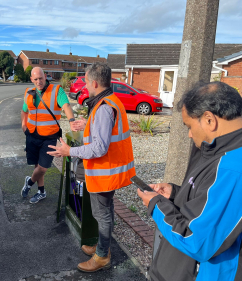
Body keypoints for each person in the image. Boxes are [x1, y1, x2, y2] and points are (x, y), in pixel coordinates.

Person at [138, 82, 242, 281]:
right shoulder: (218, 148)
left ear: (209, 120)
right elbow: (210, 199)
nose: (189, 134)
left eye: (189, 126)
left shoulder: (233, 168)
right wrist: (176, 192)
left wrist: (156, 205)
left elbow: (198, 242)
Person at [48, 62, 136, 272]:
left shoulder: (104, 107)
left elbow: (99, 148)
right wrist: (86, 124)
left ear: (95, 82)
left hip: (104, 171)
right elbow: (103, 133)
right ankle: (102, 247)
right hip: (108, 170)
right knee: (105, 212)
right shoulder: (109, 101)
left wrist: (70, 152)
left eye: (86, 82)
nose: (85, 86)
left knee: (102, 214)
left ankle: (102, 256)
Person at [21, 67, 76, 204]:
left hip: (49, 137)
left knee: (43, 167)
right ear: (31, 80)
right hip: (32, 135)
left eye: (41, 78)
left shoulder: (57, 91)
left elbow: (66, 106)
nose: (39, 81)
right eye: (36, 79)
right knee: (37, 166)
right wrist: (23, 124)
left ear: (45, 76)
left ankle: (29, 182)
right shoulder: (28, 92)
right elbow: (24, 110)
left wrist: (72, 121)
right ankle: (41, 191)